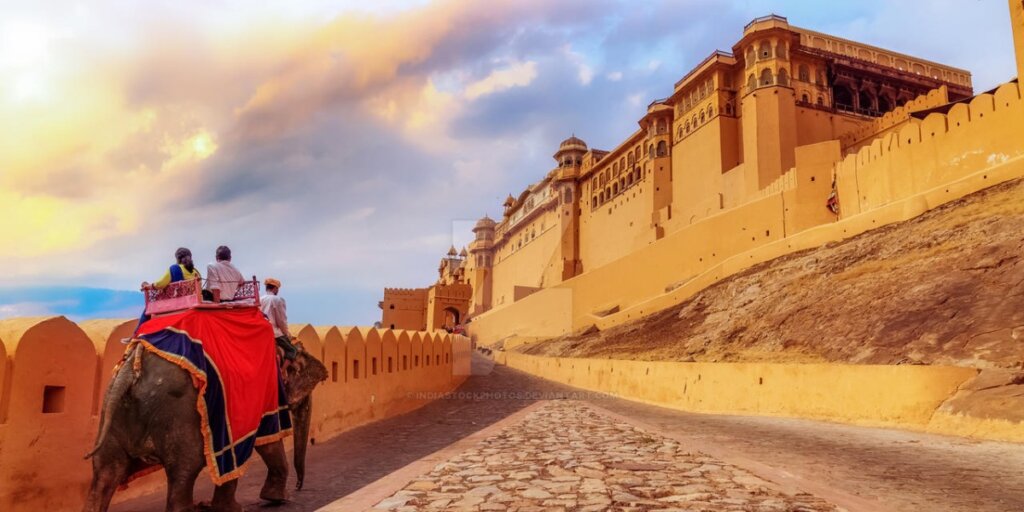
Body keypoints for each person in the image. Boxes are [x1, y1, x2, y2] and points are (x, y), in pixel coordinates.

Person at [262, 278, 298, 372]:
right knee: (292, 350)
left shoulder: (260, 300)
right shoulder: (277, 300)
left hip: (261, 332)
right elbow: (281, 320)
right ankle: (282, 371)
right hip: (274, 333)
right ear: (275, 289)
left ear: (267, 288)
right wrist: (286, 333)